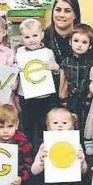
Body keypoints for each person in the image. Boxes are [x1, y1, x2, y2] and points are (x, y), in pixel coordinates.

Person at [31, 107, 89, 185]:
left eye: (64, 123)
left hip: (71, 180)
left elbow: (84, 171)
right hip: (52, 181)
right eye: (55, 123)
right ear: (48, 127)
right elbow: (34, 170)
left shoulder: (76, 145)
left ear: (72, 126)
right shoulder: (45, 145)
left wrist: (82, 161)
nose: (60, 126)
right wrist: (41, 161)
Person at [15, 18, 60, 146]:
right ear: (22, 38)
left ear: (42, 35)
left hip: (44, 96)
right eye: (27, 37)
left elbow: (57, 71)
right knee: (27, 126)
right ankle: (28, 153)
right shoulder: (19, 53)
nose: (32, 39)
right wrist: (17, 69)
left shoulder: (48, 53)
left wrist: (54, 67)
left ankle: (43, 150)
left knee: (43, 126)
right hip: (26, 96)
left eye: (35, 35)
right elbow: (14, 72)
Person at [59, 25, 93, 137]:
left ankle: (86, 140)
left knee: (86, 119)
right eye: (76, 41)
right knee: (71, 120)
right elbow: (63, 81)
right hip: (71, 97)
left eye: (84, 42)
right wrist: (62, 97)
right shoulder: (65, 61)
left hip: (86, 97)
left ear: (90, 45)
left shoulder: (92, 63)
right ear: (70, 42)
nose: (79, 45)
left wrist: (90, 96)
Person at [44, 0, 93, 66]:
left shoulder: (87, 35)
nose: (61, 15)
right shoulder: (43, 37)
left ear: (75, 15)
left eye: (67, 11)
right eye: (58, 10)